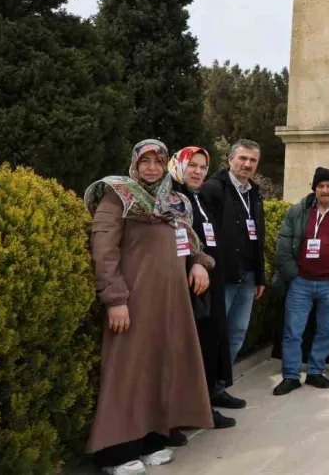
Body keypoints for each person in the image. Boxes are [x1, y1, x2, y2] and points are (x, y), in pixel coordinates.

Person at [84, 140, 213, 474]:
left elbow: (190, 241)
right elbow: (104, 250)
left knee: (161, 367)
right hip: (134, 301)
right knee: (127, 372)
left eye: (158, 161)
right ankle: (115, 452)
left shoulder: (175, 201)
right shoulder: (117, 195)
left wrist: (199, 262)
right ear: (135, 163)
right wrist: (115, 299)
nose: (152, 167)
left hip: (171, 303)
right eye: (146, 161)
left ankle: (149, 440)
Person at [270, 167, 329, 396]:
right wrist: (293, 272)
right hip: (300, 282)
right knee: (293, 330)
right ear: (314, 188)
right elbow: (283, 243)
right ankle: (290, 375)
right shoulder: (299, 211)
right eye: (320, 186)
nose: (325, 190)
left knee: (326, 330)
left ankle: (315, 371)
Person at [168, 147, 239, 429]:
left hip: (208, 284)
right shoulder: (172, 199)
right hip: (184, 285)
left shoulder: (198, 198)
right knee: (189, 350)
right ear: (178, 166)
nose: (197, 171)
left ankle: (206, 401)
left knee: (210, 345)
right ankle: (187, 413)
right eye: (192, 165)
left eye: (202, 167)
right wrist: (195, 264)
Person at [201, 139, 266, 366]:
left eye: (253, 160)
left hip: (247, 277)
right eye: (242, 158)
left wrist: (259, 276)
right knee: (214, 333)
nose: (247, 164)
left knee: (237, 333)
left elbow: (259, 236)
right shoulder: (213, 188)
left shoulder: (254, 193)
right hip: (222, 276)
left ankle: (221, 386)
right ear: (230, 159)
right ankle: (206, 392)